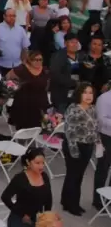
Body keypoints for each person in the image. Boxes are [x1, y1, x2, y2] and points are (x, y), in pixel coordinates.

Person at [61, 83, 98, 215]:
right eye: (85, 92)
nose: (88, 96)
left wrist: (97, 143)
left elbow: (94, 127)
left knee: (78, 175)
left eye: (90, 93)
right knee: (74, 176)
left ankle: (67, 201)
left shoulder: (92, 108)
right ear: (79, 94)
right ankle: (72, 205)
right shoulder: (73, 109)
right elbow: (69, 132)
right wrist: (74, 152)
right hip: (74, 146)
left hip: (88, 146)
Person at [1, 148, 51, 227]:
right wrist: (22, 214)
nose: (41, 166)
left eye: (43, 163)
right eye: (37, 163)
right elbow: (5, 197)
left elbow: (49, 198)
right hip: (20, 217)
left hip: (37, 216)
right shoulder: (20, 178)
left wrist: (47, 216)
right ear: (28, 162)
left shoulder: (44, 176)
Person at [5, 50, 49, 130]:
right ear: (30, 60)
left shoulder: (44, 70)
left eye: (40, 59)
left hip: (39, 104)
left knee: (39, 129)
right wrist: (14, 86)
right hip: (23, 105)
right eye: (36, 59)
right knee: (24, 129)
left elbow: (47, 84)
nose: (38, 62)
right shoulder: (21, 69)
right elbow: (7, 78)